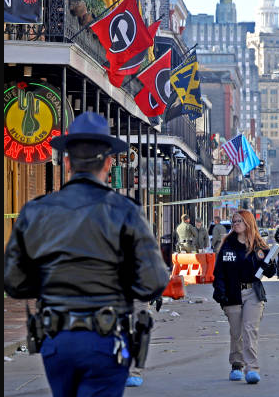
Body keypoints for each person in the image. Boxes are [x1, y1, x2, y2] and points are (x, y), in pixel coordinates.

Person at [4, 112, 169, 397]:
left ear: (67, 162)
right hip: (105, 337)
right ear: (108, 163)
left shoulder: (36, 211)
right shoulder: (125, 210)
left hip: (57, 339)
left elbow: (14, 282)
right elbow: (154, 281)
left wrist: (50, 279)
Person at [212, 210, 276, 384]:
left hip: (253, 293)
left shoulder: (259, 246)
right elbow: (219, 272)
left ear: (248, 223)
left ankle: (252, 368)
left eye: (240, 221)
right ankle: (236, 364)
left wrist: (268, 265)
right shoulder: (227, 245)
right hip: (232, 293)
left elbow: (270, 272)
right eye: (234, 221)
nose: (236, 224)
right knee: (236, 332)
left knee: (250, 330)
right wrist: (220, 293)